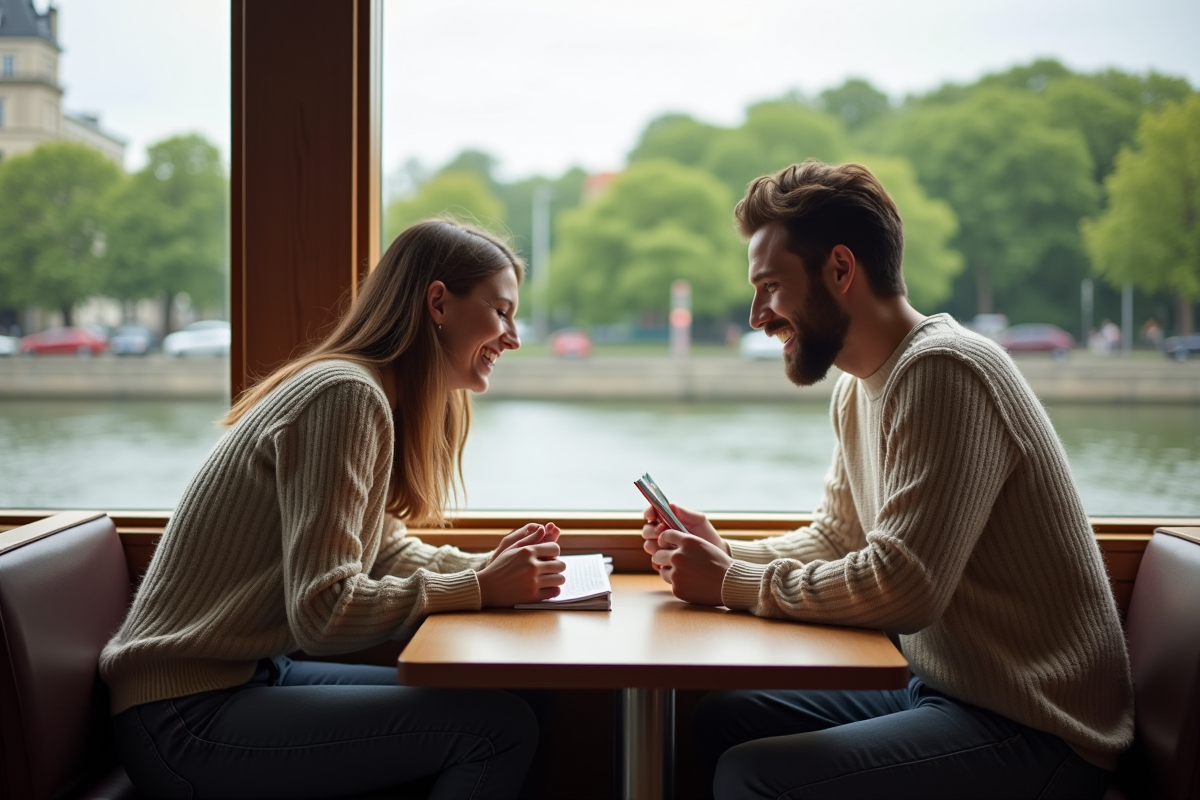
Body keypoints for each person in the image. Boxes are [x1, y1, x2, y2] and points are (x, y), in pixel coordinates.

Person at [642, 161, 1133, 800]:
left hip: (1042, 729)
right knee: (721, 720)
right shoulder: (857, 388)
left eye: (770, 286)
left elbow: (904, 587)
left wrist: (731, 581)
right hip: (946, 693)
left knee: (751, 774)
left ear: (841, 270)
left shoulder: (945, 371)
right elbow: (840, 537)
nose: (758, 316)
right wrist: (725, 553)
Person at [101, 219, 567, 800]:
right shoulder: (345, 395)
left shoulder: (366, 390)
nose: (514, 336)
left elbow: (385, 546)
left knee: (519, 699)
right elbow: (323, 612)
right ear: (439, 303)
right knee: (498, 731)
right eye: (501, 311)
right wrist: (477, 584)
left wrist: (490, 566)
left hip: (250, 677)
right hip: (183, 718)